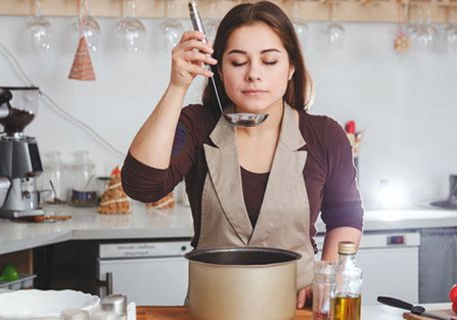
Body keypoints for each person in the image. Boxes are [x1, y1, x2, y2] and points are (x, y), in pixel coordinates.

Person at [121, 1, 363, 309]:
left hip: (298, 307)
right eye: (237, 62)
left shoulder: (325, 135)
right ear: (219, 70)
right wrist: (177, 86)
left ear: (291, 67)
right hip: (212, 307)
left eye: (269, 61)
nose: (253, 75)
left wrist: (326, 281)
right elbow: (142, 186)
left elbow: (345, 217)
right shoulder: (197, 126)